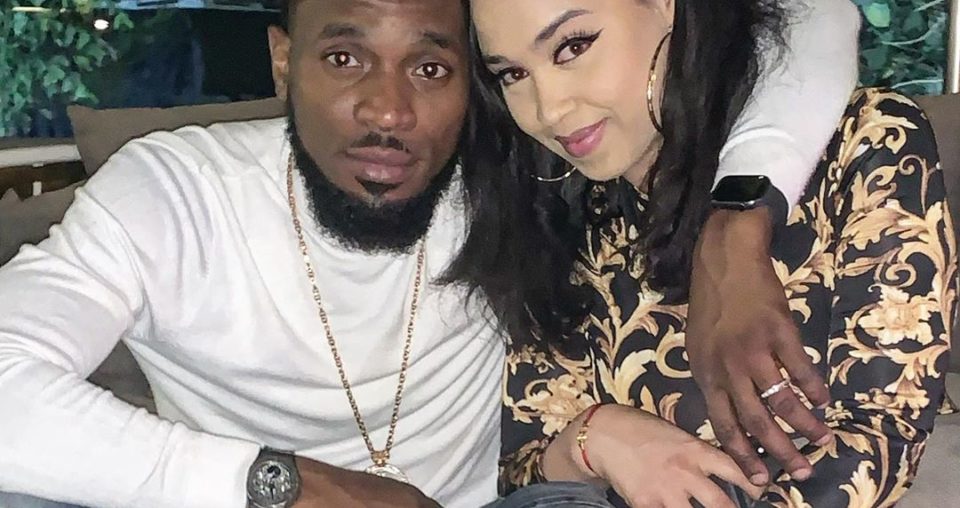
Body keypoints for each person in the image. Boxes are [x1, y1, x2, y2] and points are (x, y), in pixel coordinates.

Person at [0, 0, 858, 507]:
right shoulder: (175, 191)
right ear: (284, 60)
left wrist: (735, 229)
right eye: (344, 57)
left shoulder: (521, 178)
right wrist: (290, 489)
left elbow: (816, 15)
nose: (388, 112)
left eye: (431, 68)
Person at [463, 0, 957, 506]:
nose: (548, 109)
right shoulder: (561, 216)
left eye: (573, 47)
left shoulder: (862, 143)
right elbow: (525, 471)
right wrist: (595, 438)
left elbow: (881, 434)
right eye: (513, 74)